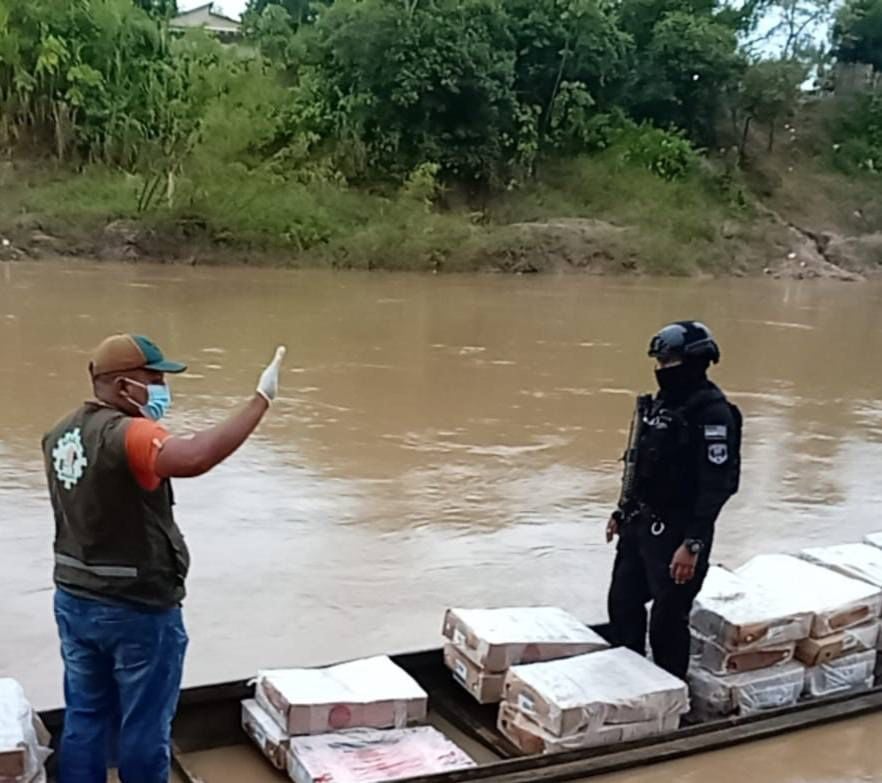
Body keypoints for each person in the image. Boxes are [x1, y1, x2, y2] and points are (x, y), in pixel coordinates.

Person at [42, 333, 286, 783]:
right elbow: (195, 456)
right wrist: (260, 401)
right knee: (145, 722)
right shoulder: (132, 433)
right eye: (152, 379)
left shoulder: (58, 434)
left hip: (74, 600)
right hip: (136, 608)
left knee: (85, 714)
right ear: (120, 387)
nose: (160, 389)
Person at [605, 321, 741, 680]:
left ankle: (668, 692)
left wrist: (692, 543)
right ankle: (627, 682)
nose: (662, 370)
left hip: (680, 531)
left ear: (695, 361)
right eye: (660, 362)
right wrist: (623, 510)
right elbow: (642, 463)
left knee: (667, 620)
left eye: (670, 362)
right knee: (622, 604)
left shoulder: (714, 415)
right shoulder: (661, 405)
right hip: (640, 523)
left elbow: (717, 485)